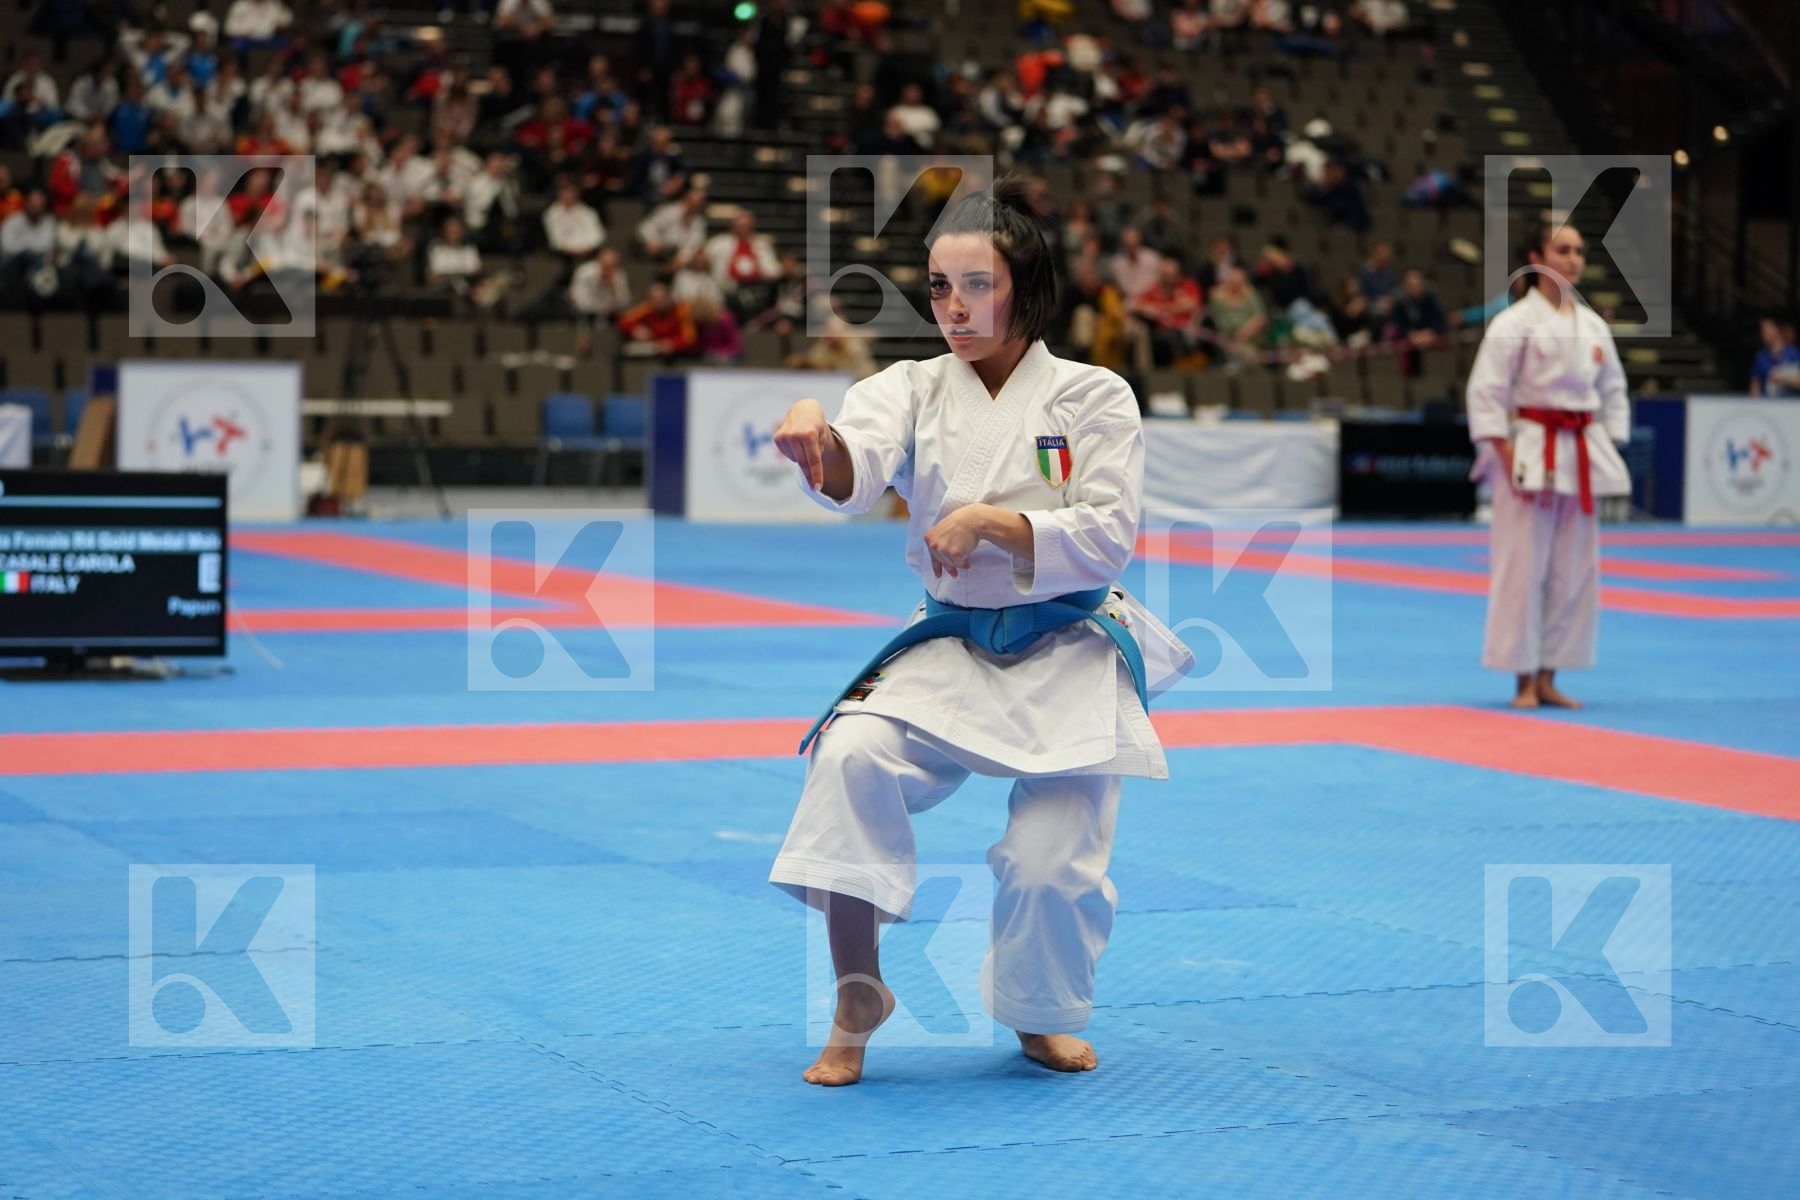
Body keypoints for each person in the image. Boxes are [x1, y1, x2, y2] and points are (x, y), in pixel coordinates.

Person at [767, 177, 1193, 1087]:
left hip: (1071, 644)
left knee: (1049, 865)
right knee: (848, 755)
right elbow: (854, 458)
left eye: (976, 287)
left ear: (1026, 292)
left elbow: (1112, 533)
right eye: (937, 289)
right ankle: (857, 988)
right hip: (952, 638)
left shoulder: (1095, 395)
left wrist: (997, 523)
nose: (953, 309)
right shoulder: (914, 387)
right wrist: (817, 435)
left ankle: (1039, 1016)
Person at [1465, 221, 1630, 710]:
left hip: (1578, 452)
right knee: (1522, 568)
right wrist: (1505, 453)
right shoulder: (1513, 322)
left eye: (1580, 251)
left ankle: (1550, 675)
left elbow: (1614, 393)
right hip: (1530, 452)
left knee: (1574, 570)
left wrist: (1609, 445)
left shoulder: (1595, 325)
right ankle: (1521, 680)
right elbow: (1486, 393)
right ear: (1537, 257)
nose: (1575, 259)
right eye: (1564, 250)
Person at [1749, 317, 1800, 397]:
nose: (1764, 334)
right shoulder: (1760, 357)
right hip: (1768, 406)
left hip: (1791, 406)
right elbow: (1755, 385)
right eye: (1762, 331)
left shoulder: (1794, 354)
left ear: (1777, 330)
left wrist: (1782, 379)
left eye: (1767, 330)